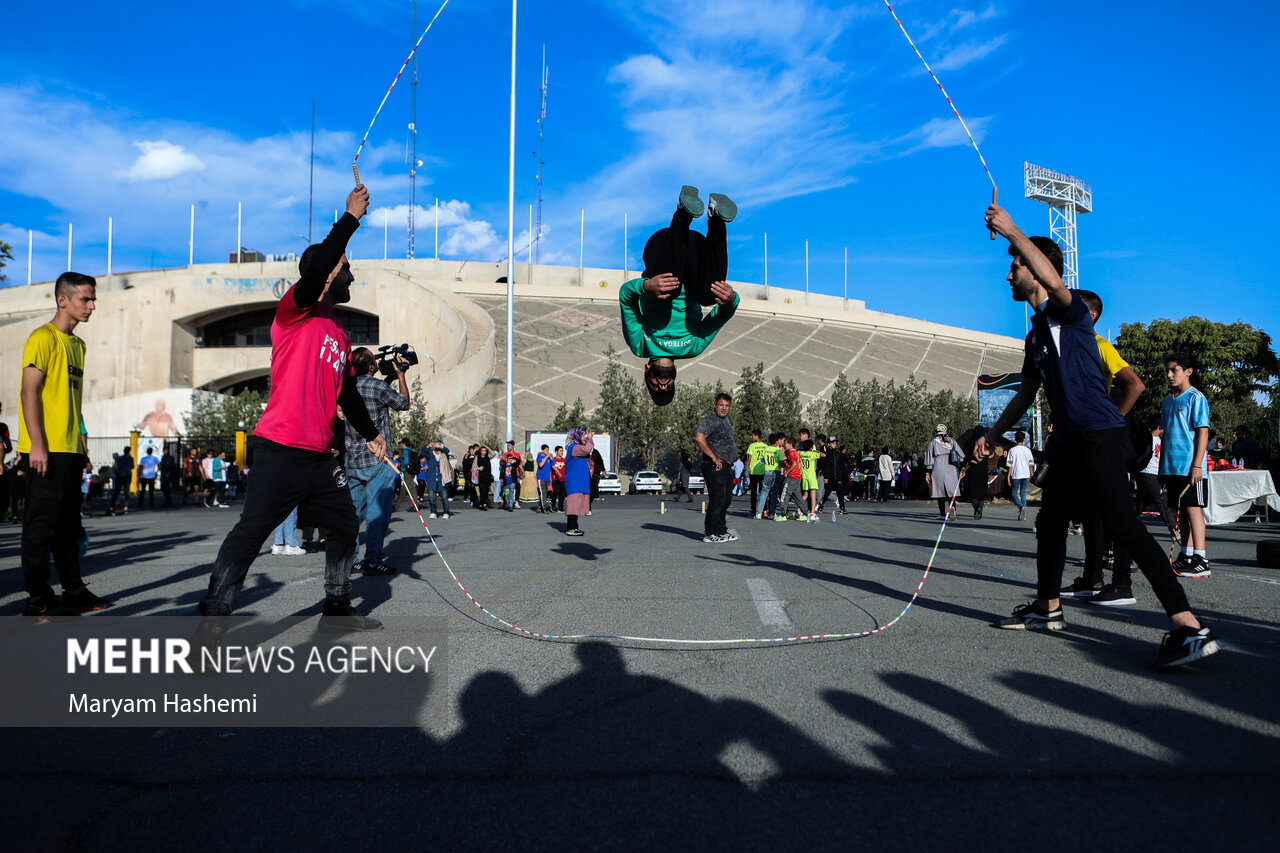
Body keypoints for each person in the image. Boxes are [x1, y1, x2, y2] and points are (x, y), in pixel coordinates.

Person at [978, 202, 1220, 667]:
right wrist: (992, 432)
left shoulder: (1071, 315)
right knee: (1049, 522)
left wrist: (1012, 231)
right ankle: (1048, 609)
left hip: (1099, 434)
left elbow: (1054, 283)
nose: (1009, 276)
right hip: (1069, 441)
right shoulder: (1034, 336)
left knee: (1124, 527)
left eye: (1014, 266)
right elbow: (1026, 395)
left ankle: (1189, 626)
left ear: (1034, 267)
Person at [198, 182, 387, 636]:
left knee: (344, 524)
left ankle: (337, 608)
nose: (351, 275)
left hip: (321, 458)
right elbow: (320, 263)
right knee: (250, 533)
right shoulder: (294, 311)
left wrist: (371, 433)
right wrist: (350, 220)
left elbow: (345, 393)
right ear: (324, 273)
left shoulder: (337, 332)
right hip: (280, 448)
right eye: (345, 268)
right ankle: (212, 622)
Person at [15, 271, 112, 617]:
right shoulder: (42, 337)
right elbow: (29, 391)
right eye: (85, 299)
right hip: (46, 448)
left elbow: (70, 401)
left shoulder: (78, 345)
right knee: (40, 525)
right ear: (63, 300)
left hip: (70, 448)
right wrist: (37, 445)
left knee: (69, 526)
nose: (92, 306)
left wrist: (81, 448)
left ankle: (73, 590)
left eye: (93, 299)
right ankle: (37, 595)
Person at [620, 186, 740, 407]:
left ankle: (683, 211)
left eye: (655, 385)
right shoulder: (693, 348)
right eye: (668, 386)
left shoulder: (639, 345)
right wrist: (732, 300)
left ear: (647, 369)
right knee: (710, 296)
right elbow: (722, 315)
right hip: (697, 255)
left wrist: (647, 285)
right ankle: (715, 216)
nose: (663, 385)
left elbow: (625, 297)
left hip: (663, 247)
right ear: (676, 372)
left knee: (668, 291)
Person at [343, 345, 411, 575]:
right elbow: (403, 403)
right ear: (372, 367)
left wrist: (389, 378)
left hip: (352, 460)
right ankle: (373, 559)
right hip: (378, 460)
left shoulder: (346, 387)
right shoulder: (377, 386)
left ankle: (350, 560)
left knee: (352, 515)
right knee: (377, 514)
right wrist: (400, 376)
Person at [1160, 352, 1212, 578]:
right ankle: (1186, 554)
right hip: (1171, 467)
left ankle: (1201, 558)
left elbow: (1203, 431)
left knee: (1194, 510)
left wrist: (1197, 465)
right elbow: (1165, 434)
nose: (1170, 375)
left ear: (1188, 372)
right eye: (1168, 370)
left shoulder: (1196, 398)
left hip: (1191, 467)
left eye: (1175, 370)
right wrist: (1162, 467)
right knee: (1181, 512)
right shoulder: (1167, 401)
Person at [694, 392, 739, 542]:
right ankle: (710, 532)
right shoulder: (710, 419)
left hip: (726, 466)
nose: (724, 408)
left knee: (726, 499)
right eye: (721, 405)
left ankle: (721, 530)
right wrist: (713, 457)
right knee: (717, 499)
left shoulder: (725, 420)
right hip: (714, 467)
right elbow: (699, 437)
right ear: (715, 405)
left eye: (727, 406)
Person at [924, 426, 960, 520]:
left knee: (939, 491)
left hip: (938, 466)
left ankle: (942, 513)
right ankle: (953, 508)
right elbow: (961, 455)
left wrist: (928, 472)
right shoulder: (951, 441)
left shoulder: (933, 442)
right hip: (951, 466)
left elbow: (929, 459)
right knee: (951, 491)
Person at [563, 427, 594, 536]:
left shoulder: (577, 447)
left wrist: (587, 441)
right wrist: (589, 440)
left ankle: (574, 527)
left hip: (578, 481)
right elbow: (587, 449)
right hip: (574, 481)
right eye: (583, 435)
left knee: (576, 505)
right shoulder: (574, 447)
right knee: (573, 505)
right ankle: (571, 528)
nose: (585, 437)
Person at [1007, 431, 1035, 521]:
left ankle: (1020, 507)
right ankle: (1023, 509)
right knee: (1023, 492)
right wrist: (1032, 474)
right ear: (1024, 439)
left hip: (1016, 474)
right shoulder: (1027, 450)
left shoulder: (1012, 450)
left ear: (1015, 439)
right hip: (1026, 473)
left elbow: (1010, 464)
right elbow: (1031, 463)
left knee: (1014, 493)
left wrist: (1008, 475)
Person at [817, 435, 847, 514]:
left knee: (840, 492)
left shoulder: (838, 454)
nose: (834, 444)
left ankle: (842, 508)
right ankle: (822, 504)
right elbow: (825, 466)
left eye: (835, 443)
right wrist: (826, 476)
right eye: (833, 443)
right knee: (827, 492)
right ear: (829, 444)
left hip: (838, 476)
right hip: (830, 476)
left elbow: (841, 466)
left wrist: (844, 476)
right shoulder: (826, 454)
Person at [421, 442, 452, 519]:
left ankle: (446, 512)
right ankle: (433, 512)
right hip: (432, 480)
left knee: (444, 498)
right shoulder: (431, 456)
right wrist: (428, 446)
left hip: (442, 480)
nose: (437, 450)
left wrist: (441, 446)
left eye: (438, 449)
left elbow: (448, 451)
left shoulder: (444, 456)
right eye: (436, 448)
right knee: (432, 498)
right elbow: (424, 452)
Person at [745, 429, 770, 516]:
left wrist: (744, 470)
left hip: (753, 471)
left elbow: (749, 459)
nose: (751, 437)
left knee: (753, 492)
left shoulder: (752, 446)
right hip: (763, 471)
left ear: (756, 435)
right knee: (763, 491)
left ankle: (753, 510)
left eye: (752, 435)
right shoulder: (765, 446)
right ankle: (765, 509)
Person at [798, 439, 821, 521]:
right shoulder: (813, 454)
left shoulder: (801, 453)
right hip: (811, 476)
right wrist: (815, 451)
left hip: (804, 476)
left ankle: (798, 510)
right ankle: (812, 513)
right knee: (813, 495)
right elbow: (823, 455)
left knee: (805, 494)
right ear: (811, 448)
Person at [534, 443, 553, 513]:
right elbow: (541, 465)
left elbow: (553, 465)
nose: (547, 452)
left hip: (547, 478)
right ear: (542, 450)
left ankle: (541, 506)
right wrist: (546, 457)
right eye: (546, 450)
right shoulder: (540, 457)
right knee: (543, 492)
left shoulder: (549, 458)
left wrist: (558, 472)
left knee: (546, 493)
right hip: (541, 477)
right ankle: (544, 507)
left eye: (548, 450)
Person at [475, 446, 494, 510]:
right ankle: (484, 504)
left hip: (487, 476)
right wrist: (478, 468)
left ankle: (482, 504)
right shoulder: (477, 458)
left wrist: (487, 447)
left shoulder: (487, 457)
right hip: (480, 476)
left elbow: (493, 454)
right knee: (482, 490)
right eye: (482, 451)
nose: (483, 452)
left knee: (486, 491)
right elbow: (473, 467)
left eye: (485, 451)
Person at [550, 446, 566, 512]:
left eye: (562, 451)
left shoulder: (564, 460)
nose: (562, 452)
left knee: (562, 494)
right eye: (560, 451)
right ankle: (553, 504)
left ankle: (560, 508)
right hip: (555, 479)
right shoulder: (553, 460)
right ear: (556, 452)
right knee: (556, 492)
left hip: (563, 479)